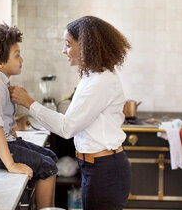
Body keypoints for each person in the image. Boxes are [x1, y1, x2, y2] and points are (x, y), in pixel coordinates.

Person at [9, 16, 132, 210]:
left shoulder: (102, 81)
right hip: (95, 167)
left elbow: (67, 127)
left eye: (68, 44)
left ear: (85, 46)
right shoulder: (91, 76)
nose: (64, 50)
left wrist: (29, 103)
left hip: (105, 170)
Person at [0, 23, 57, 209]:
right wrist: (11, 165)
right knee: (47, 167)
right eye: (16, 55)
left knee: (50, 157)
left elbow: (1, 121)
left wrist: (12, 132)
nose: (21, 59)